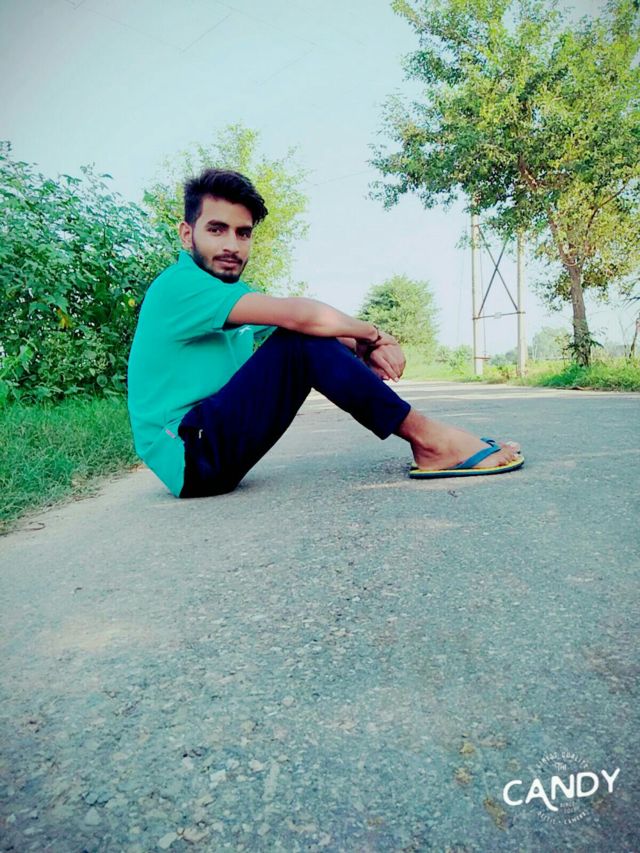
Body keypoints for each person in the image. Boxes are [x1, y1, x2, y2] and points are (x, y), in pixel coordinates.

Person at [126, 168, 523, 499]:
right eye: (217, 229)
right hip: (190, 452)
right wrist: (373, 335)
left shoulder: (228, 295)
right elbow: (301, 318)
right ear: (187, 234)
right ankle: (431, 440)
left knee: (305, 337)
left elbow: (315, 330)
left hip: (208, 447)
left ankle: (434, 440)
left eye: (243, 233)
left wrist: (360, 348)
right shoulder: (179, 286)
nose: (232, 245)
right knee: (299, 338)